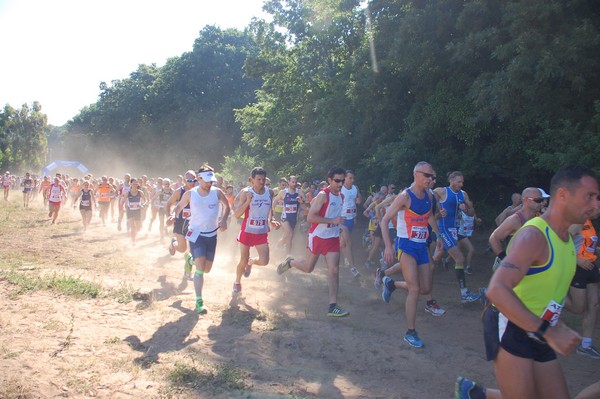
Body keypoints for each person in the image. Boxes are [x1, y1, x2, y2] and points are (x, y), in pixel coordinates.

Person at [457, 164, 599, 399]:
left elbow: (545, 290)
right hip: (512, 325)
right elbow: (497, 290)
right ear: (563, 195)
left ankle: (475, 394)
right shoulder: (534, 235)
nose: (596, 205)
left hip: (539, 328)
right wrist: (549, 331)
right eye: (589, 197)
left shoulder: (567, 240)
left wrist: (556, 325)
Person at [378, 162, 444, 347]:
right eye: (427, 176)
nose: (431, 179)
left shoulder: (430, 196)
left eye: (432, 177)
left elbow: (429, 216)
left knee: (425, 288)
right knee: (415, 289)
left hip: (422, 246)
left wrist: (438, 234)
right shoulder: (404, 196)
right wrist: (389, 247)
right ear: (416, 174)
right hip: (406, 245)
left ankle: (392, 284)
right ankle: (410, 332)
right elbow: (384, 220)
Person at [276, 166, 350, 317]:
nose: (340, 184)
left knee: (334, 270)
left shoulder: (341, 197)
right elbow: (310, 217)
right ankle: (290, 262)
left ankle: (333, 306)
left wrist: (341, 232)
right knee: (308, 268)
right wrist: (332, 220)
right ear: (330, 180)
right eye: (337, 181)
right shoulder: (324, 195)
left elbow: (338, 219)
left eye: (342, 180)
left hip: (332, 237)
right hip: (317, 236)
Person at [172, 165, 230, 313]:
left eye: (211, 181)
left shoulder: (217, 193)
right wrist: (172, 216)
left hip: (212, 235)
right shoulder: (190, 194)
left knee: (207, 269)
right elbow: (178, 207)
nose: (209, 184)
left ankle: (189, 259)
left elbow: (227, 206)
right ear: (199, 179)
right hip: (196, 234)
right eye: (206, 181)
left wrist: (223, 220)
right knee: (200, 269)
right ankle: (199, 301)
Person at [433, 171, 480, 302]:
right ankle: (464, 294)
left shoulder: (463, 194)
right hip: (444, 229)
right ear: (451, 181)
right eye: (459, 181)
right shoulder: (442, 191)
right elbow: (429, 204)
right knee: (460, 258)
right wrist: (438, 211)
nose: (461, 184)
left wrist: (466, 210)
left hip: (455, 230)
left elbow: (471, 213)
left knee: (435, 259)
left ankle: (419, 276)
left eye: (462, 182)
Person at [233, 167, 280, 296]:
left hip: (261, 232)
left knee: (265, 261)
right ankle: (237, 282)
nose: (261, 182)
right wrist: (248, 201)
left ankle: (251, 262)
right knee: (243, 260)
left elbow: (270, 209)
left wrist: (272, 220)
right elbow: (237, 214)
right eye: (258, 179)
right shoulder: (246, 192)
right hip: (247, 231)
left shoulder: (269, 192)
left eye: (263, 179)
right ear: (251, 180)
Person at [567, 207, 600, 359]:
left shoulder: (591, 224)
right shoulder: (577, 222)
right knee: (579, 308)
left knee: (594, 305)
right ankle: (552, 298)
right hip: (577, 268)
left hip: (591, 267)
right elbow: (561, 243)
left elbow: (587, 245)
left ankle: (585, 345)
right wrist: (578, 260)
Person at [489, 188, 544, 271]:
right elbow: (494, 238)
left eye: (542, 200)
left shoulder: (539, 217)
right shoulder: (515, 220)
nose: (541, 203)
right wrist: (503, 258)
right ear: (526, 200)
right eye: (538, 200)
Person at [274, 175, 306, 256]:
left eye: (295, 182)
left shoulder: (299, 192)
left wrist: (302, 203)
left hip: (294, 219)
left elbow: (306, 204)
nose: (294, 184)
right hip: (285, 218)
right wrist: (272, 212)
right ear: (289, 182)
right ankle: (288, 256)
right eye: (292, 182)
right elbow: (275, 200)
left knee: (286, 236)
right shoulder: (283, 192)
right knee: (290, 234)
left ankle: (277, 246)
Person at [340, 170, 363, 276]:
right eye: (350, 178)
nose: (352, 180)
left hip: (351, 218)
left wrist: (359, 200)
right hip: (342, 220)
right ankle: (353, 268)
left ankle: (343, 259)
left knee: (343, 243)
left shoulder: (355, 188)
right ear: (344, 178)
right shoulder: (340, 188)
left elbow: (359, 199)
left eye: (353, 178)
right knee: (348, 242)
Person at [122, 178, 146, 246]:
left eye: (136, 183)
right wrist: (125, 205)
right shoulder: (128, 193)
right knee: (132, 227)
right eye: (134, 183)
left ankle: (134, 237)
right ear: (131, 184)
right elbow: (122, 201)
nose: (135, 184)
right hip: (130, 211)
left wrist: (143, 205)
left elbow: (145, 200)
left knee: (138, 228)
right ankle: (133, 241)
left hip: (137, 211)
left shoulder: (140, 192)